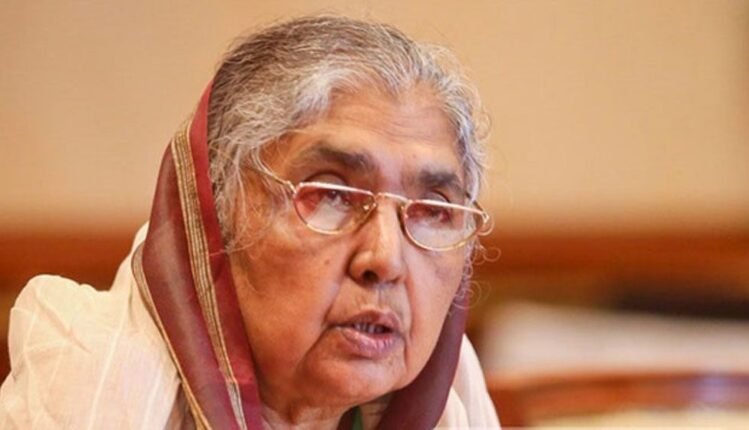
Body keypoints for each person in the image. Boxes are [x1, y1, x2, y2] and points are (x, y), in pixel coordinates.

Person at [0, 16, 500, 429]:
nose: (385, 259)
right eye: (331, 195)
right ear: (214, 214)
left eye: (434, 210)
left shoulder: (454, 398)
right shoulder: (88, 374)